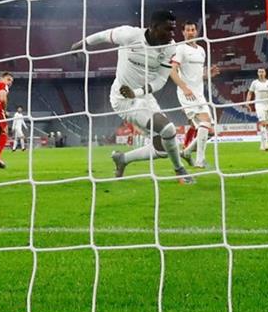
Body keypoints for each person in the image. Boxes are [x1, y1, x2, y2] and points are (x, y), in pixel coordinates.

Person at [71, 10, 194, 184]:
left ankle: (122, 159)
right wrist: (81, 43)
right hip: (122, 100)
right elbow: (104, 35)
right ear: (153, 27)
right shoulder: (129, 35)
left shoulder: (170, 47)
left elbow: (160, 80)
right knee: (168, 130)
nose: (171, 34)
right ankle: (180, 171)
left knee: (162, 149)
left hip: (143, 96)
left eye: (173, 30)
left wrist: (137, 92)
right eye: (167, 29)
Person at [170, 20, 220, 168]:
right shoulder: (181, 49)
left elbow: (198, 75)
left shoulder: (201, 50)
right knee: (205, 122)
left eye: (193, 29)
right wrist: (185, 88)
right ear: (183, 33)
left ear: (196, 32)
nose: (190, 32)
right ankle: (200, 160)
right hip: (187, 93)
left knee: (211, 131)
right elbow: (172, 71)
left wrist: (208, 74)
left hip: (199, 93)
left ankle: (186, 152)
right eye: (187, 30)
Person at [246, 68, 268, 151]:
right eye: (259, 72)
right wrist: (247, 102)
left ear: (265, 73)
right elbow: (250, 92)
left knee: (267, 124)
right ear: (257, 73)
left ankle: (262, 144)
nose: (261, 73)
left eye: (262, 71)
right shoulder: (254, 83)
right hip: (259, 104)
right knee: (263, 123)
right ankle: (266, 144)